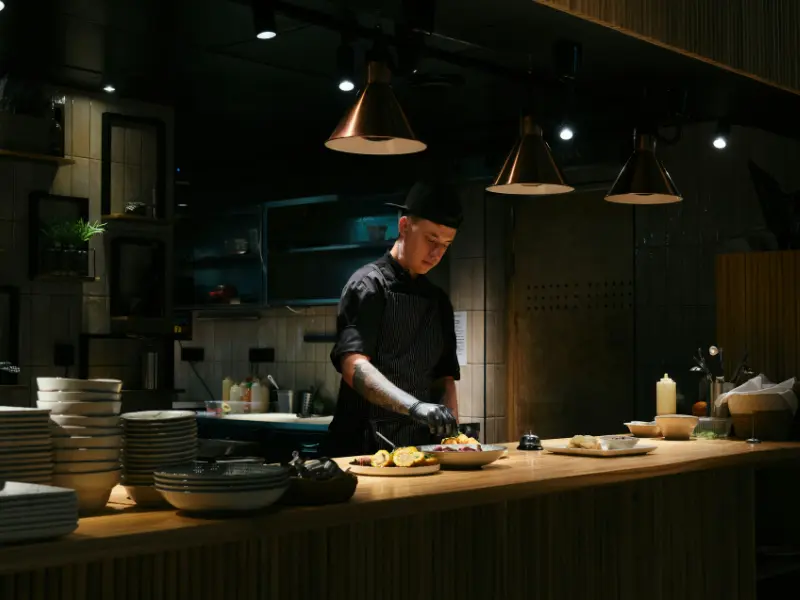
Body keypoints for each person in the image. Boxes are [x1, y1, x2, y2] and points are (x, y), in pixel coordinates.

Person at [324, 180, 463, 457]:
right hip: (362, 447)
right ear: (403, 227)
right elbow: (353, 366)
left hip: (419, 448)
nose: (436, 253)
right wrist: (414, 406)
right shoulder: (367, 286)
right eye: (431, 240)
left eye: (445, 245)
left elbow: (444, 379)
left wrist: (453, 437)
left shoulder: (438, 301)